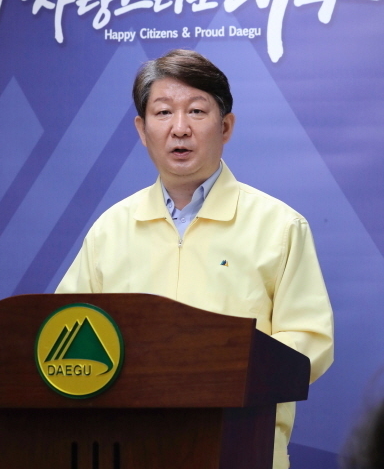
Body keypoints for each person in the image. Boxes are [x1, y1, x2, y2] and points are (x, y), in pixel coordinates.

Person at [56, 48, 334, 469]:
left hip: (241, 447)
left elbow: (310, 340)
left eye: (197, 111)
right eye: (163, 112)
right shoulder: (110, 229)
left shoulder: (279, 226)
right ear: (142, 129)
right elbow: (65, 332)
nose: (180, 128)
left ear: (226, 126)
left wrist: (218, 372)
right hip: (128, 449)